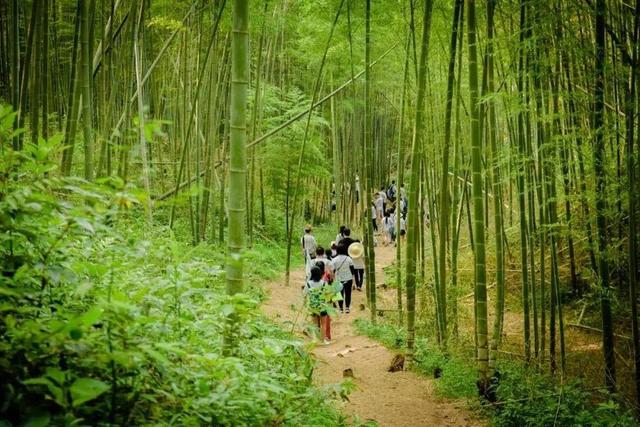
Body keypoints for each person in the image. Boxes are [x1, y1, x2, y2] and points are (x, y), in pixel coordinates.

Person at [303, 266, 332, 345]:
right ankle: (323, 340)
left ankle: (314, 339)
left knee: (314, 324)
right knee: (323, 324)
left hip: (313, 306)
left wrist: (305, 304)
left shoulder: (308, 283)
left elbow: (304, 294)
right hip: (322, 306)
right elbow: (328, 294)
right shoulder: (324, 283)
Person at [332, 243, 355, 313]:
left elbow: (333, 271)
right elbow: (352, 270)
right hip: (348, 278)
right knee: (348, 293)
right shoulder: (349, 259)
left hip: (338, 279)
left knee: (340, 294)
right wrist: (353, 279)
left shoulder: (334, 260)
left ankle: (341, 308)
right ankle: (347, 307)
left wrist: (333, 280)